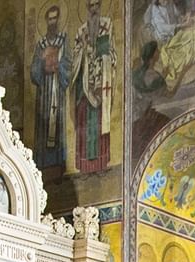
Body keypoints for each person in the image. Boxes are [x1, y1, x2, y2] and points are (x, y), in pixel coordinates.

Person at [73, 0, 116, 173]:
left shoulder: (107, 25)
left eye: (97, 5)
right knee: (84, 124)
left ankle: (101, 164)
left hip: (102, 81)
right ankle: (84, 167)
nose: (94, 9)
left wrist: (104, 66)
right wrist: (83, 50)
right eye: (91, 6)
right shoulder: (81, 31)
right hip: (85, 85)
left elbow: (112, 53)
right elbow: (76, 59)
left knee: (100, 123)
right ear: (87, 8)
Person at [30, 5, 72, 170]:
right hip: (44, 91)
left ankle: (59, 164)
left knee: (58, 124)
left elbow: (68, 62)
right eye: (50, 19)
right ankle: (41, 166)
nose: (53, 22)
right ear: (46, 21)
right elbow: (34, 69)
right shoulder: (40, 44)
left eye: (55, 18)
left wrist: (58, 66)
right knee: (43, 125)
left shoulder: (63, 40)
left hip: (58, 89)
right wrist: (42, 62)